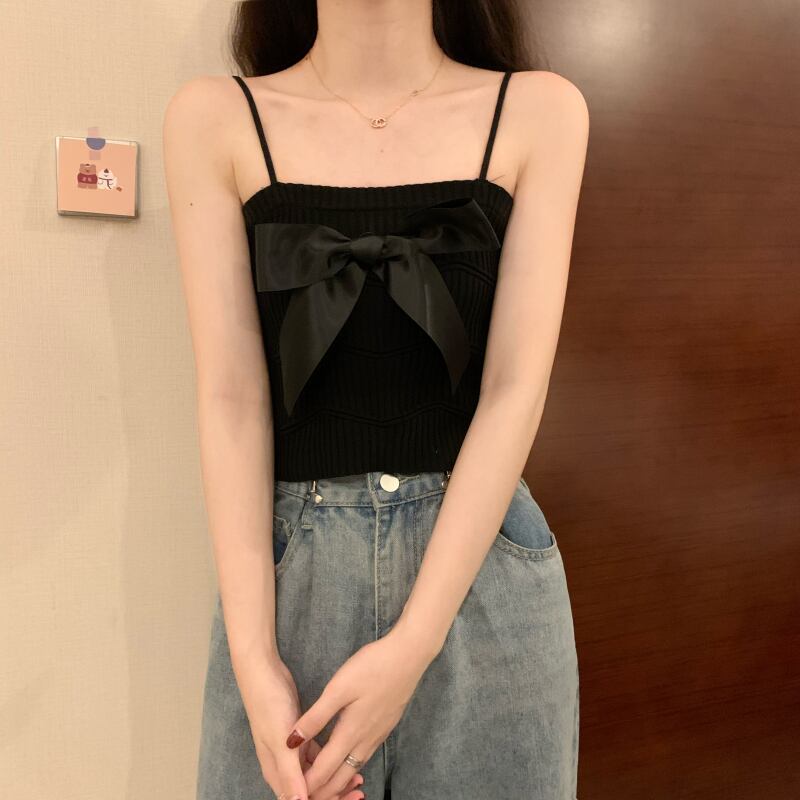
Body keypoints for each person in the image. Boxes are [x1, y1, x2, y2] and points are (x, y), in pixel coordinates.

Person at [163, 1, 589, 798]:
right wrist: (254, 660)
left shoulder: (541, 112)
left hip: (483, 585)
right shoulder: (214, 119)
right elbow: (230, 398)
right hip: (288, 595)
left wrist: (415, 643)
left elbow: (514, 390)